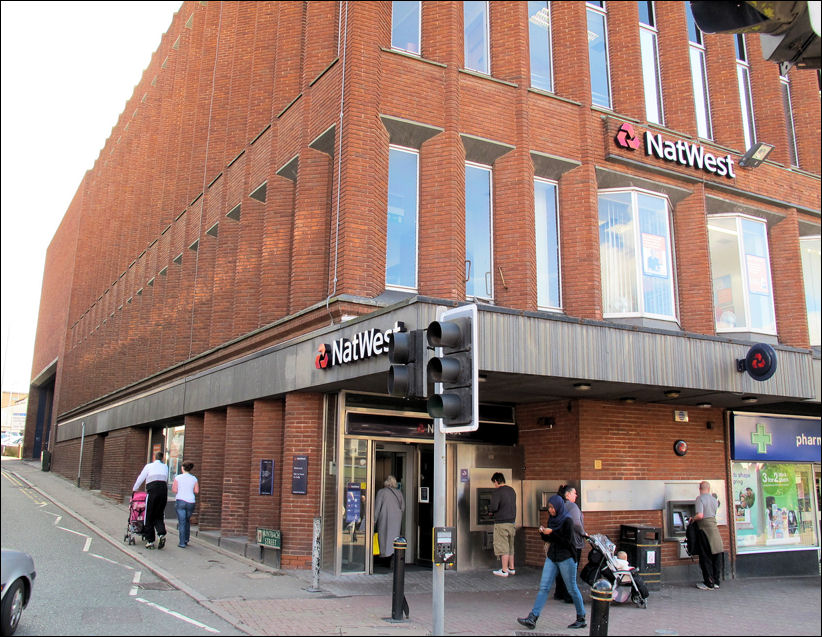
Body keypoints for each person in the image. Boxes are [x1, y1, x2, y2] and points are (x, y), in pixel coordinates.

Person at [517, 494, 587, 630]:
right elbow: (549, 539)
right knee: (544, 587)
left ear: (559, 506)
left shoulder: (568, 521)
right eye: (549, 507)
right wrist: (543, 533)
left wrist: (552, 533)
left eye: (552, 507)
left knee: (572, 588)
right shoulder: (552, 520)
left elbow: (567, 542)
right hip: (552, 557)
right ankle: (533, 617)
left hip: (566, 558)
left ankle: (581, 617)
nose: (550, 510)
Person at [553, 485, 585, 603]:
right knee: (571, 569)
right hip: (573, 542)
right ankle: (569, 595)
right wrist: (583, 533)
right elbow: (576, 523)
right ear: (567, 494)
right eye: (574, 493)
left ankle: (559, 592)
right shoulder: (572, 506)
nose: (576, 495)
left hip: (560, 541)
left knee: (561, 568)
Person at [133, 451, 169, 549]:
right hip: (163, 491)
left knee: (149, 515)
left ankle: (150, 541)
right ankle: (161, 534)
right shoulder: (165, 467)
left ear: (154, 457)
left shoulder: (149, 466)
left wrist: (134, 489)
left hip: (152, 490)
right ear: (162, 458)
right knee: (159, 514)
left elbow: (141, 477)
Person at [692, 480, 723, 590]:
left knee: (705, 556)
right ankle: (716, 582)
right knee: (716, 555)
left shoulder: (699, 499)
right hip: (714, 529)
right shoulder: (714, 500)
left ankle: (708, 582)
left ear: (700, 489)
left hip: (704, 530)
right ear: (709, 489)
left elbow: (700, 515)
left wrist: (692, 519)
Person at [489, 472, 517, 577]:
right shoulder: (512, 490)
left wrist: (490, 511)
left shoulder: (497, 492)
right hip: (512, 522)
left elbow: (494, 507)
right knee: (510, 546)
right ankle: (511, 568)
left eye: (494, 483)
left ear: (496, 481)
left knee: (503, 546)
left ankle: (504, 570)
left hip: (501, 522)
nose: (494, 485)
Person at [373, 475, 404, 566]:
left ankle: (384, 557)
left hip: (385, 517)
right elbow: (403, 507)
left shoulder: (381, 492)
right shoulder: (399, 493)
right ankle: (393, 556)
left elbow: (377, 507)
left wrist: (374, 520)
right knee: (394, 538)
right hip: (396, 519)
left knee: (383, 537)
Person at [172, 461, 199, 548]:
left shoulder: (178, 478)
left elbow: (174, 490)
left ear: (183, 468)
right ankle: (186, 539)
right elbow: (196, 491)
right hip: (191, 501)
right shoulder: (194, 479)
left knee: (182, 522)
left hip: (180, 501)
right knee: (187, 521)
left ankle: (182, 542)